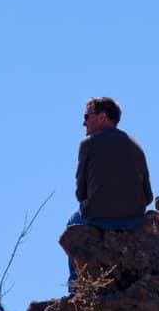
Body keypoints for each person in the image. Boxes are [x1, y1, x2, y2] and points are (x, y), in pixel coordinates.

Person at [65, 97, 153, 289]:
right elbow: (148, 195)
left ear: (102, 117)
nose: (84, 122)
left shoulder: (88, 144)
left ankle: (76, 285)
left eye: (87, 116)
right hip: (134, 219)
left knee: (72, 226)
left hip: (99, 217)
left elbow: (81, 193)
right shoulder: (136, 146)